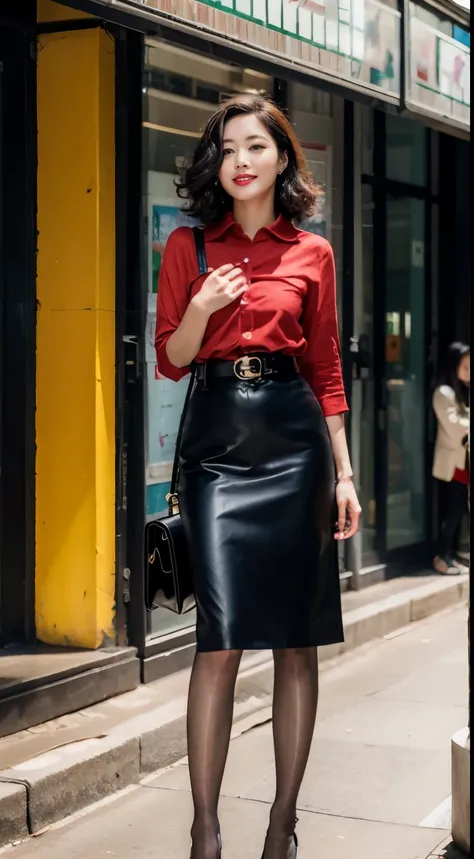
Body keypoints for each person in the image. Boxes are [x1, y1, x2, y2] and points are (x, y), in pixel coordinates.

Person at [154, 94, 361, 859]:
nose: (240, 161)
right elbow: (171, 357)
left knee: (296, 642)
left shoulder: (313, 253)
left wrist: (344, 475)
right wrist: (203, 307)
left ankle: (282, 824)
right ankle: (204, 831)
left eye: (255, 147)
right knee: (219, 640)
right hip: (216, 447)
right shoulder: (188, 249)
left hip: (295, 442)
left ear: (282, 159)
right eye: (227, 149)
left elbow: (325, 365)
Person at [432, 342, 470, 575]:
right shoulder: (444, 392)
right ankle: (441, 556)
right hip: (453, 462)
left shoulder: (461, 391)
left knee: (459, 509)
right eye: (465, 366)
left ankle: (451, 554)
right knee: (453, 509)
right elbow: (454, 426)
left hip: (462, 462)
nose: (468, 371)